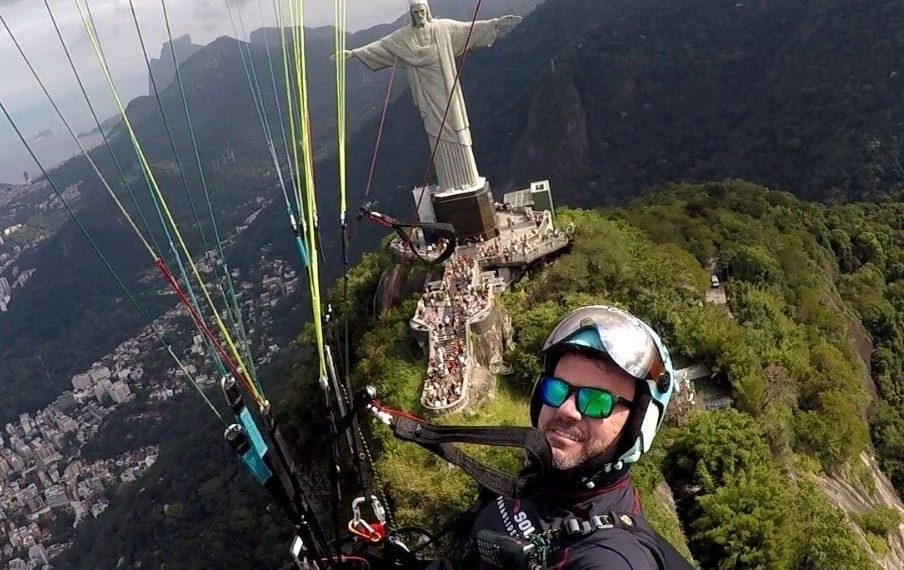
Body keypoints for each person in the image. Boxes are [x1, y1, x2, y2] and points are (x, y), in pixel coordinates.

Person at [439, 305, 693, 569]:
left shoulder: (613, 555)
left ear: (639, 424)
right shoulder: (536, 480)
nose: (566, 409)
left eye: (596, 401)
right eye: (556, 389)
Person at [336, 0, 521, 192]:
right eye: (415, 12)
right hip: (427, 96)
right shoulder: (404, 37)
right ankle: (450, 182)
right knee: (437, 136)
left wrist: (495, 23)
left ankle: (468, 178)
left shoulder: (443, 28)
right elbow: (382, 46)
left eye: (421, 11)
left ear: (427, 10)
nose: (419, 15)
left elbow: (468, 29)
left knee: (457, 131)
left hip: (447, 90)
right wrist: (354, 53)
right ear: (412, 14)